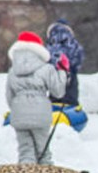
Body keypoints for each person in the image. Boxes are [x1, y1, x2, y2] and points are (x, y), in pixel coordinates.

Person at [5, 30, 68, 165]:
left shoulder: (12, 71)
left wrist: (19, 108)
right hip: (41, 115)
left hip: (19, 115)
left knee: (25, 152)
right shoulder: (46, 68)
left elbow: (9, 97)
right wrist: (63, 71)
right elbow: (58, 92)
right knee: (43, 152)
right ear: (39, 50)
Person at [45, 19, 84, 106]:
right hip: (71, 77)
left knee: (55, 102)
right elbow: (79, 59)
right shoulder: (74, 44)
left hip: (55, 78)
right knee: (70, 101)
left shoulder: (51, 44)